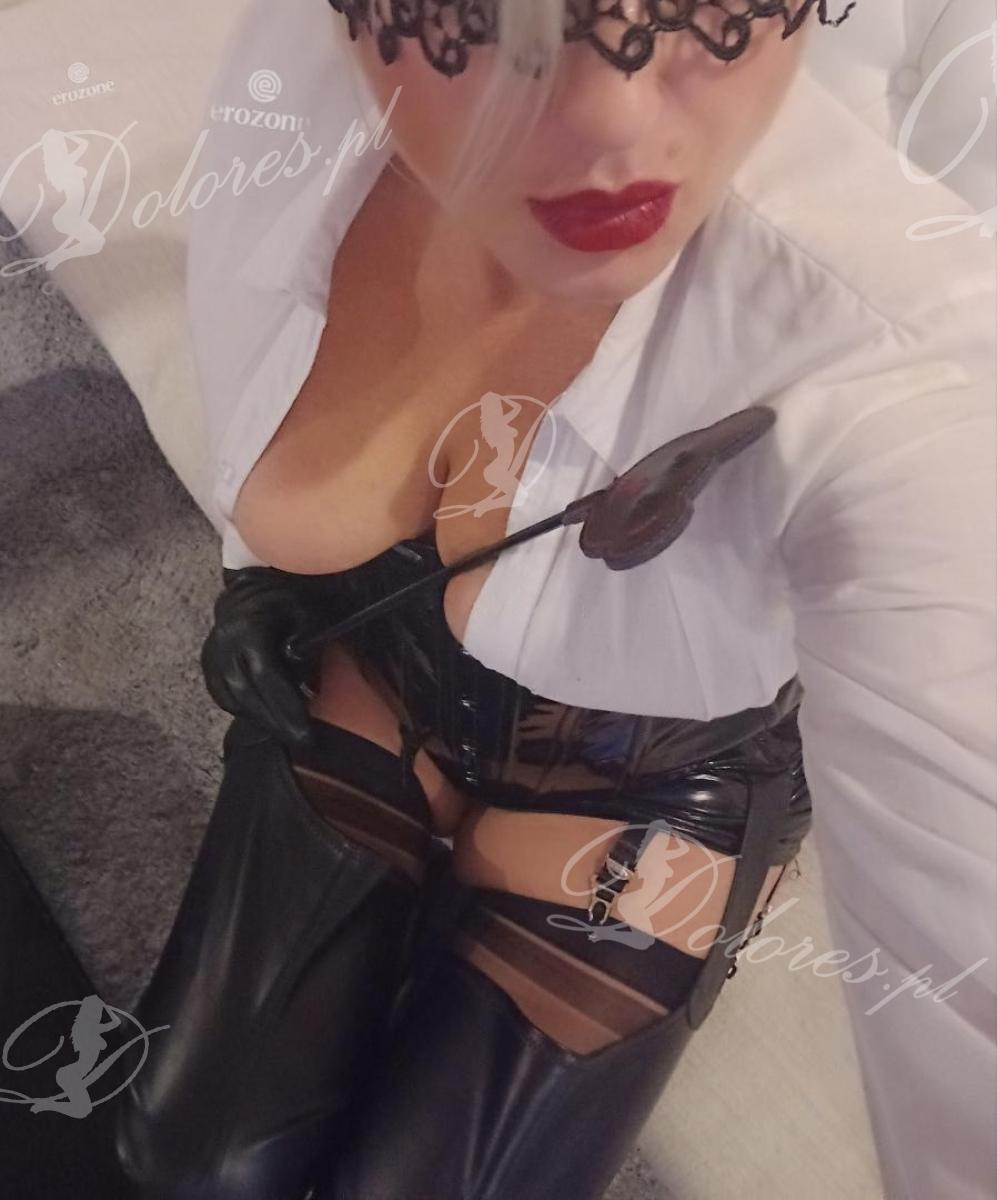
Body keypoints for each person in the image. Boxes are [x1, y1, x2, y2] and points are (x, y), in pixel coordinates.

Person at [114, 2, 996, 1198]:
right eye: (477, 13)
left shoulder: (900, 346)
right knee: (189, 1156)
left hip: (655, 773)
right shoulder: (298, 83)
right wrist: (263, 575)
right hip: (374, 655)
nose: (608, 116)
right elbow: (253, 338)